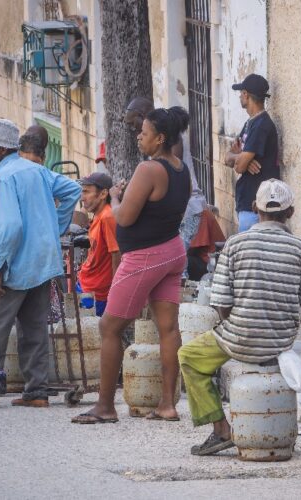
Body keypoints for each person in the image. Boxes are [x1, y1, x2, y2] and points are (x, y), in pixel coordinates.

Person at [72, 106, 192, 424]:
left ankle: (105, 406)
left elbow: (124, 217)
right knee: (168, 329)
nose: (139, 136)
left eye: (145, 132)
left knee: (109, 326)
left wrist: (115, 197)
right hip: (172, 251)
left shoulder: (149, 169)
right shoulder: (180, 167)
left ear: (160, 138)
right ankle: (168, 404)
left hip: (145, 256)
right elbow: (160, 207)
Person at [178, 179, 301, 455]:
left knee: (188, 357)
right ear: (291, 212)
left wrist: (234, 323)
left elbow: (221, 303)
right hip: (281, 340)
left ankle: (220, 429)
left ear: (254, 208)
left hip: (240, 337)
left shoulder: (236, 244)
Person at [0, 119, 81, 409]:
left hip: (17, 264)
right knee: (33, 328)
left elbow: (11, 227)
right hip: (44, 260)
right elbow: (72, 192)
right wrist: (55, 227)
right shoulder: (38, 171)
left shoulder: (3, 177)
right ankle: (36, 391)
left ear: (2, 150)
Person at [123, 96, 210, 279]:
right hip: (179, 208)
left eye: (134, 123)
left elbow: (169, 172)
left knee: (177, 264)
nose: (134, 130)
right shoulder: (153, 143)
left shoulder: (169, 143)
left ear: (143, 115)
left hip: (187, 208)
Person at [224, 73, 280, 232]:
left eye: (241, 93)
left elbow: (239, 167)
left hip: (257, 206)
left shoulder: (261, 125)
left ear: (246, 95)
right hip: (248, 204)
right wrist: (240, 157)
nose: (240, 96)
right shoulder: (250, 122)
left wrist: (242, 160)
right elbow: (227, 158)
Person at [77, 172, 120, 317]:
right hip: (86, 284)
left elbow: (116, 254)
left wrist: (115, 290)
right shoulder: (98, 214)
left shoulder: (107, 217)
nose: (82, 198)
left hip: (98, 293)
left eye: (87, 192)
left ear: (103, 194)